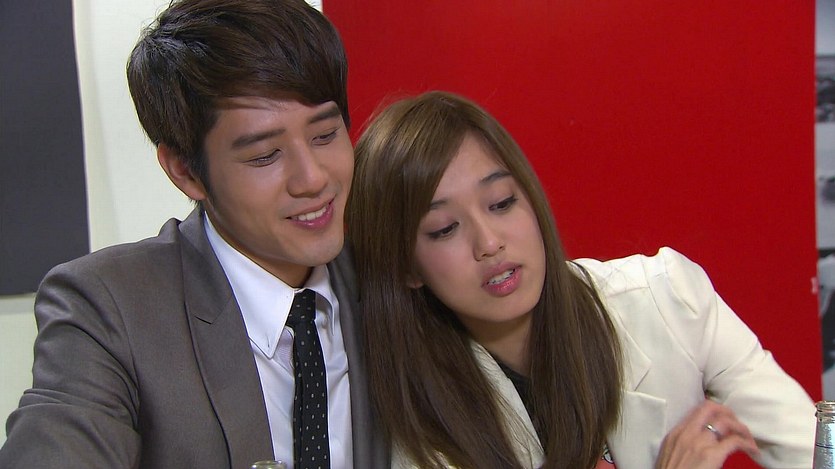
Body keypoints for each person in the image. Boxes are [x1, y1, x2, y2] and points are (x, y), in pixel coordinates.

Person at [0, 0, 387, 467]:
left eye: (325, 135)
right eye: (265, 155)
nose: (314, 179)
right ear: (185, 171)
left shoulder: (392, 269)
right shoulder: (110, 307)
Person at [345, 90, 816, 469]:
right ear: (406, 268)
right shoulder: (407, 428)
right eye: (445, 228)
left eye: (502, 203)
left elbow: (814, 448)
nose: (489, 243)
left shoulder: (667, 297)